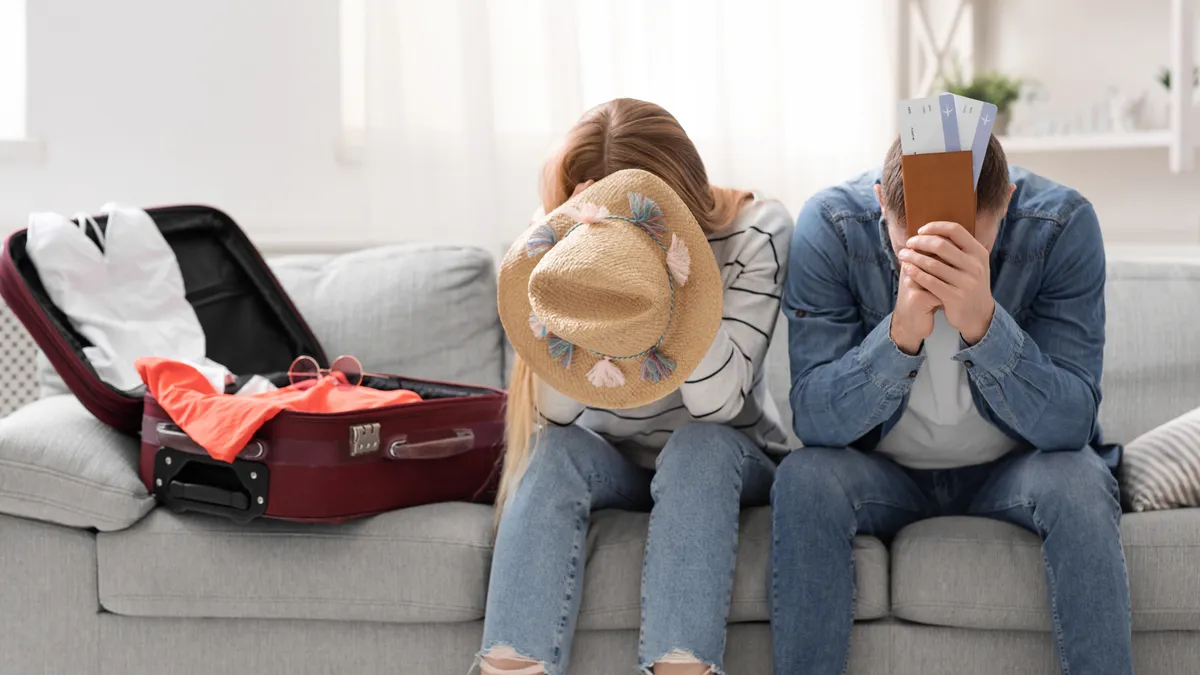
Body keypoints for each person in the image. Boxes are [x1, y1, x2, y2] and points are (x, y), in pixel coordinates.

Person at [771, 136, 1132, 675]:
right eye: (912, 240)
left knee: (1080, 480)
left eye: (964, 240)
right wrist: (898, 338)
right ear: (879, 203)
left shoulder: (1060, 224)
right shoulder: (832, 223)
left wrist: (986, 327)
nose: (938, 256)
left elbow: (1070, 424)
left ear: (1005, 203)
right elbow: (816, 420)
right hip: (881, 474)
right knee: (804, 477)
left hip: (1013, 471)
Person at [480, 98, 792, 675]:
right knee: (553, 454)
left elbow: (716, 404)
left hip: (730, 451)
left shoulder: (757, 230)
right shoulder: (556, 241)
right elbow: (561, 415)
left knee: (698, 446)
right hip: (615, 456)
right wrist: (573, 276)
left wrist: (674, 273)